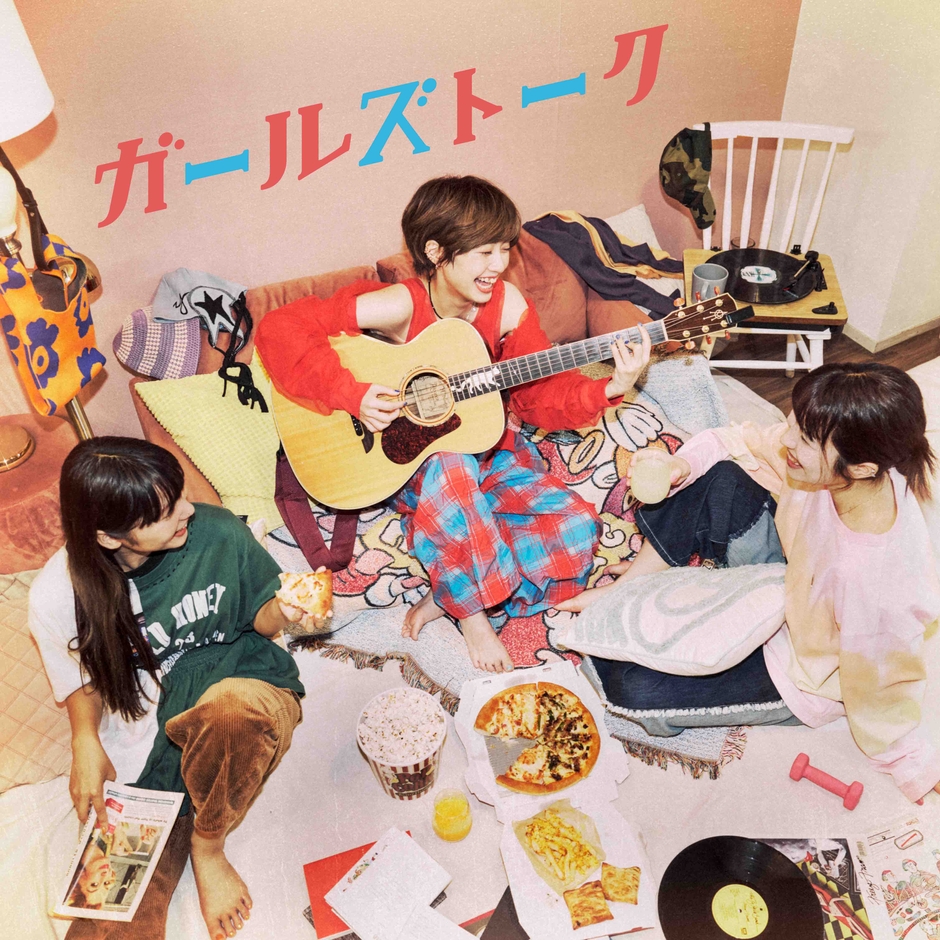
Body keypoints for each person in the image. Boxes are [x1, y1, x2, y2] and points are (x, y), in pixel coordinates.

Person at [256, 175, 651, 673]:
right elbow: (280, 328)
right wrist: (351, 394)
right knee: (450, 465)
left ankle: (449, 587)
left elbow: (536, 396)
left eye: (504, 248)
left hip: (487, 449)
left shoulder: (507, 306)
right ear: (436, 251)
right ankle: (472, 615)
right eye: (484, 252)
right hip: (411, 465)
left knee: (574, 530)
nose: (499, 265)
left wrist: (611, 386)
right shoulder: (400, 304)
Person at [560, 362, 940, 801]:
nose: (788, 442)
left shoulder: (879, 583)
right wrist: (680, 463)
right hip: (791, 575)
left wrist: (911, 763)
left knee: (630, 687)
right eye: (793, 426)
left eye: (806, 440)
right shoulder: (825, 464)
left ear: (860, 468)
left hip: (804, 669)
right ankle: (627, 585)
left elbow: (882, 684)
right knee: (719, 475)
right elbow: (736, 438)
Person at [29, 438, 322, 940]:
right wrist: (85, 739)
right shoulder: (58, 594)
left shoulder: (218, 532)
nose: (188, 510)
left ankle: (208, 846)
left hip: (246, 690)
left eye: (179, 494)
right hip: (151, 741)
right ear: (109, 537)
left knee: (229, 715)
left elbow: (261, 616)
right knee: (107, 918)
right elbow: (80, 677)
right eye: (165, 512)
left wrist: (286, 610)